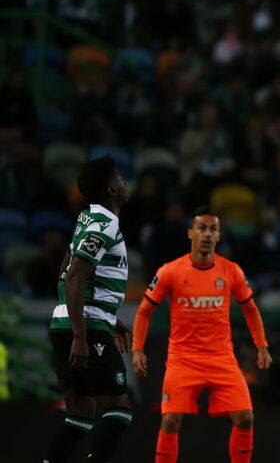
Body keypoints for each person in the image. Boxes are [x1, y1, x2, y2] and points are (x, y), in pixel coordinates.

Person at [131, 207, 272, 463]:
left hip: (222, 358)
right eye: (201, 228)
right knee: (171, 420)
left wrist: (261, 346)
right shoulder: (170, 271)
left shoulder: (231, 271)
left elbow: (250, 310)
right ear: (190, 233)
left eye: (212, 229)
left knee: (246, 417)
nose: (207, 234)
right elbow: (143, 312)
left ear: (219, 236)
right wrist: (137, 349)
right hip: (182, 360)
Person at [45, 155, 134, 463]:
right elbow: (73, 277)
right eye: (119, 177)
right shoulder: (105, 224)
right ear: (110, 189)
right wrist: (81, 335)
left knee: (81, 412)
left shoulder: (86, 218)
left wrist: (111, 317)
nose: (124, 181)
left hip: (67, 324)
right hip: (85, 329)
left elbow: (64, 272)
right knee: (118, 407)